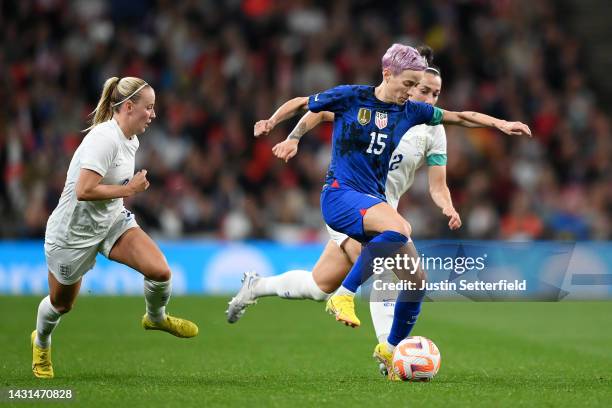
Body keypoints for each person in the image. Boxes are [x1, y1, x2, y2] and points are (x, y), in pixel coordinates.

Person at [248, 43, 531, 379]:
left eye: (428, 91)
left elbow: (461, 117)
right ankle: (349, 301)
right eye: (414, 86)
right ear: (389, 74)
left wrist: (500, 124)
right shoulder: (353, 97)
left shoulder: (419, 120)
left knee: (412, 280)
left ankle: (384, 344)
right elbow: (309, 106)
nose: (417, 94)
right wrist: (286, 132)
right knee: (393, 243)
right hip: (343, 197)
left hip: (378, 208)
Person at [31, 77, 198, 379]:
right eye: (149, 107)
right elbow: (84, 190)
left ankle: (155, 317)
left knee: (160, 271)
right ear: (129, 106)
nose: (153, 114)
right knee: (61, 305)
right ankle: (41, 342)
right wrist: (131, 190)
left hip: (110, 223)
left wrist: (125, 195)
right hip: (72, 235)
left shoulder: (131, 138)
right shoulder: (103, 139)